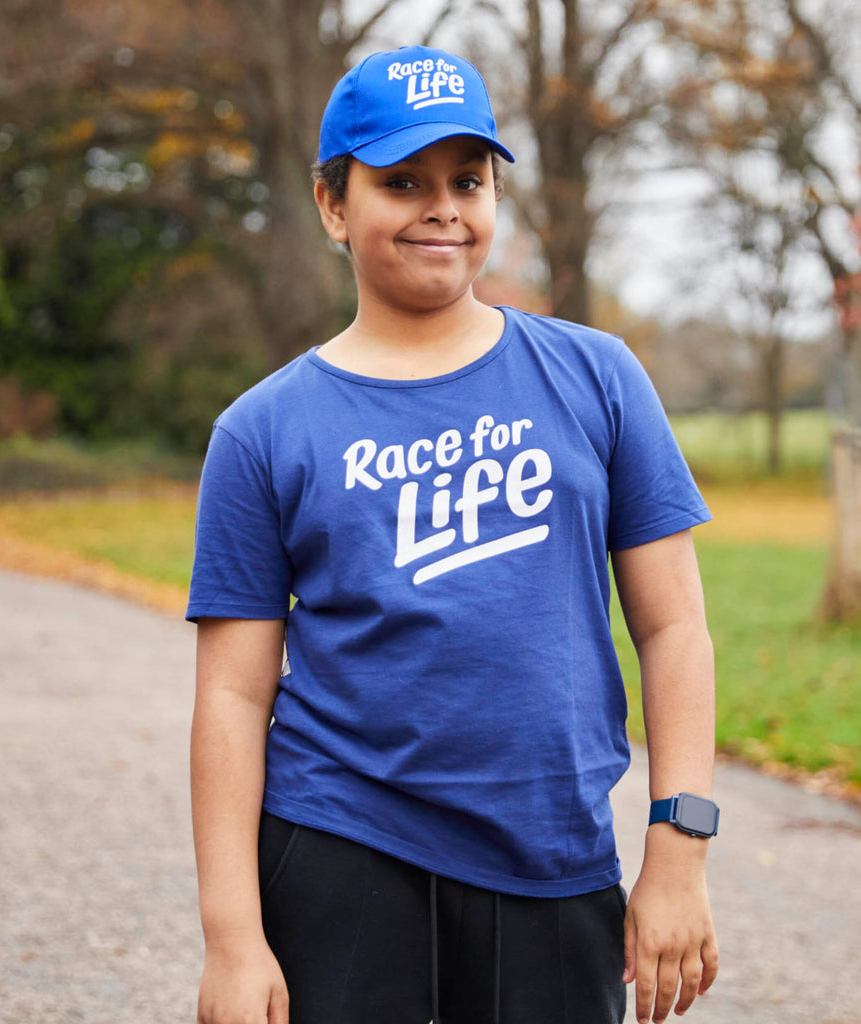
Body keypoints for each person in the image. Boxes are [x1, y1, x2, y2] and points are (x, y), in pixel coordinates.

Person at [187, 44, 719, 1024]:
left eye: (467, 180)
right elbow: (230, 693)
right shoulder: (262, 431)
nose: (443, 207)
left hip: (551, 849)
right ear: (332, 203)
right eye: (402, 181)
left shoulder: (598, 378)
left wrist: (677, 845)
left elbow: (675, 627)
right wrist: (233, 935)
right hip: (340, 844)